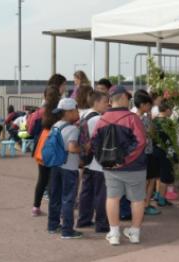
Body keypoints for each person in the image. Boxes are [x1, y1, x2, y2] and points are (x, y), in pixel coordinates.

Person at [92, 85, 147, 246]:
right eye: (128, 98)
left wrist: (106, 160)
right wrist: (123, 159)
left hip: (110, 168)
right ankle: (135, 233)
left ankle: (114, 233)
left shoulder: (101, 119)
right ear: (122, 98)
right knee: (137, 200)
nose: (129, 100)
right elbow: (140, 142)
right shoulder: (132, 118)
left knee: (112, 197)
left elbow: (94, 143)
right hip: (135, 167)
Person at [47, 98, 83, 239]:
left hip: (55, 166)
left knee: (55, 197)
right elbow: (72, 148)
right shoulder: (73, 129)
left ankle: (53, 225)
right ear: (69, 112)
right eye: (76, 110)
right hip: (69, 168)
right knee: (68, 199)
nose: (78, 113)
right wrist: (84, 148)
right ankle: (67, 231)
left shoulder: (55, 125)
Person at [77, 90, 110, 233]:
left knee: (86, 192)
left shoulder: (83, 115)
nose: (107, 104)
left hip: (87, 160)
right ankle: (102, 224)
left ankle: (83, 220)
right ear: (96, 102)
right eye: (105, 102)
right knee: (101, 194)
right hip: (98, 162)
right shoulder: (98, 120)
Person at [31, 86, 62, 217]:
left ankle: (35, 207)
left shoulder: (39, 112)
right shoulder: (60, 112)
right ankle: (56, 210)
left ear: (44, 97)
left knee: (42, 179)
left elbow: (30, 130)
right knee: (54, 180)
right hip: (55, 144)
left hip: (42, 144)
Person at [133, 90, 160, 216]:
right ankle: (146, 204)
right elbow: (152, 134)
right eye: (149, 105)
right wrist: (150, 120)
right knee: (151, 179)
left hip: (138, 153)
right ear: (143, 105)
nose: (150, 107)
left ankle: (140, 204)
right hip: (147, 152)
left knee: (142, 180)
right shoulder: (144, 119)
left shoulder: (132, 117)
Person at [152, 102, 176, 207]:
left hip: (155, 150)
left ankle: (157, 194)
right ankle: (161, 199)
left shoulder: (154, 120)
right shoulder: (168, 122)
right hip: (165, 151)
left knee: (157, 174)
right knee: (165, 176)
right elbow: (172, 139)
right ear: (166, 110)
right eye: (170, 110)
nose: (171, 112)